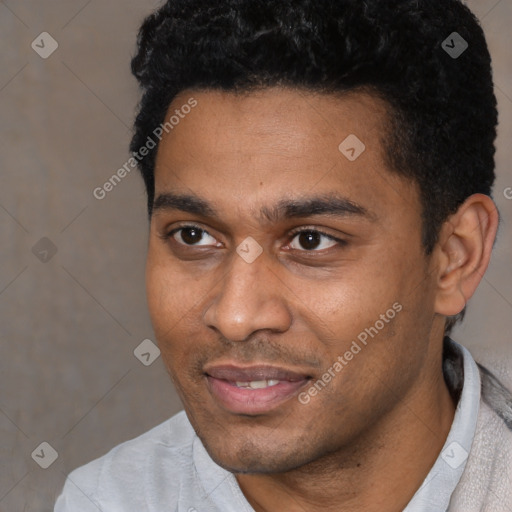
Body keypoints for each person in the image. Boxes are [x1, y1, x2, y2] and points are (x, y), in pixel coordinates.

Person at [54, 0, 512, 510]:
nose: (236, 317)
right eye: (192, 236)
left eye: (311, 240)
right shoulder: (108, 501)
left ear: (455, 256)